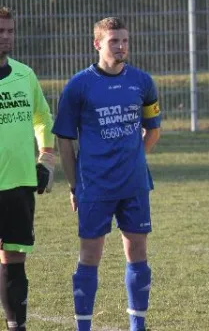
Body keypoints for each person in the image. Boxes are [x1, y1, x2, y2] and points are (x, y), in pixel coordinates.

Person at [52, 17, 161, 331]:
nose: (121, 46)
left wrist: (134, 159)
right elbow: (65, 140)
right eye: (114, 41)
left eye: (125, 40)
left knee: (137, 250)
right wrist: (75, 184)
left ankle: (137, 326)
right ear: (97, 44)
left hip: (134, 184)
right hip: (95, 186)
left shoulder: (142, 82)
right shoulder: (79, 86)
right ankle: (83, 327)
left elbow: (153, 130)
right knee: (90, 255)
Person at [0, 6, 55, 331]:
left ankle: (16, 325)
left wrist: (46, 157)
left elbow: (42, 117)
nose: (6, 38)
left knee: (14, 260)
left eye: (10, 31)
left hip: (20, 183)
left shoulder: (25, 75)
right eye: (0, 32)